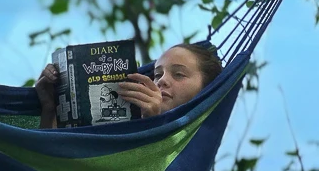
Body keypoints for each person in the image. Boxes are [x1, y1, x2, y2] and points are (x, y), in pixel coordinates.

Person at [35, 43, 223, 129]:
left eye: (179, 74)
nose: (161, 81)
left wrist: (152, 125)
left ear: (207, 89)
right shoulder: (124, 121)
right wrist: (50, 110)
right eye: (157, 74)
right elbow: (51, 168)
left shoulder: (196, 146)